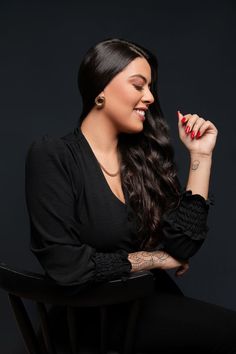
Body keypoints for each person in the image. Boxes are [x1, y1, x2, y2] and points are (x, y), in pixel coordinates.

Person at [25, 38, 236, 354]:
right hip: (91, 318)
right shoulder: (53, 155)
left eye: (151, 87)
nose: (150, 97)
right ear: (101, 89)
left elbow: (183, 244)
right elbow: (66, 267)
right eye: (138, 85)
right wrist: (156, 259)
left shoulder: (141, 160)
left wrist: (201, 157)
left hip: (146, 303)